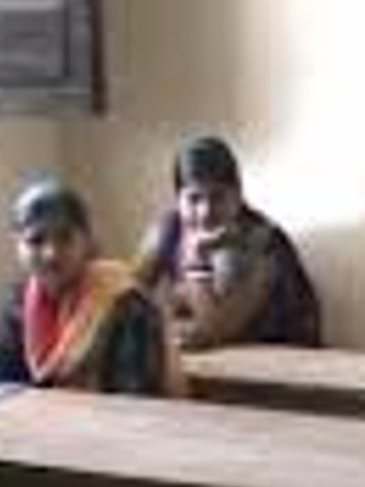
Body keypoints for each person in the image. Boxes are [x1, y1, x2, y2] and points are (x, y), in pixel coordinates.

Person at [0, 177, 182, 396]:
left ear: (87, 240)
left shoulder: (124, 302)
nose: (51, 254)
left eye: (65, 237)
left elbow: (133, 399)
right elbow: (1, 390)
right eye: (36, 241)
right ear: (17, 246)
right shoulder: (18, 305)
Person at [132, 134, 322, 350]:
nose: (205, 212)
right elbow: (124, 298)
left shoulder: (264, 244)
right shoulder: (168, 230)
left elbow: (215, 331)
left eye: (218, 197)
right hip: (214, 355)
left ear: (238, 195)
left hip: (281, 356)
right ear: (178, 200)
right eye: (194, 199)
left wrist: (197, 258)